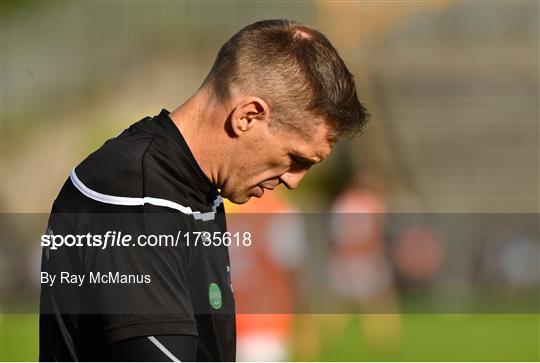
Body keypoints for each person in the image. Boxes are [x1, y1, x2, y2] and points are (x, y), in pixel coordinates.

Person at [39, 19, 369, 362]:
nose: (294, 180)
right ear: (248, 116)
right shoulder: (137, 196)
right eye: (295, 158)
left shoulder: (193, 185)